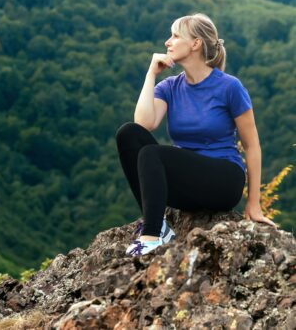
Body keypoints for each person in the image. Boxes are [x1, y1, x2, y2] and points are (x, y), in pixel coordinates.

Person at [116, 13, 277, 257]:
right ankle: (158, 226)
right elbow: (144, 124)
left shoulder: (229, 87)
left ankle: (150, 237)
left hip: (223, 179)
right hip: (188, 184)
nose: (167, 42)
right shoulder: (170, 87)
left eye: (175, 35)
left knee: (152, 154)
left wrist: (253, 204)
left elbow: (252, 145)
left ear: (195, 43)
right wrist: (151, 75)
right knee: (128, 134)